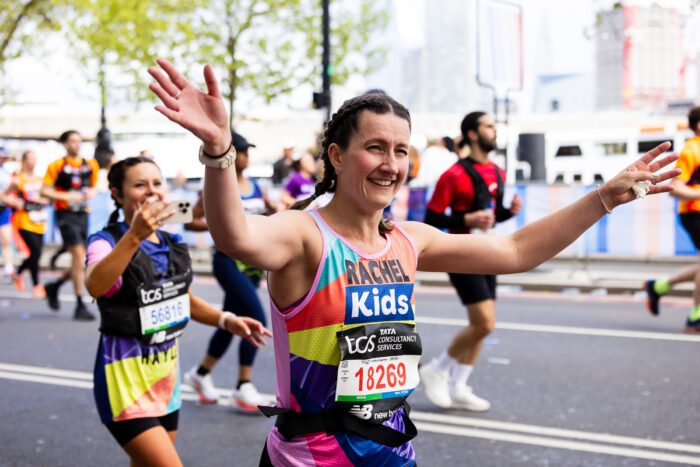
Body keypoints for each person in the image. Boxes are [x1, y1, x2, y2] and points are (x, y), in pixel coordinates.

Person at [148, 58, 677, 466]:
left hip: (393, 446)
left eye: (401, 151)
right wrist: (219, 153)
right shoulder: (304, 233)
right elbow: (236, 234)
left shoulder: (409, 239)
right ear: (335, 155)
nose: (391, 164)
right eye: (375, 148)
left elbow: (515, 252)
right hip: (314, 456)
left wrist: (603, 198)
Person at [85, 155, 271, 466]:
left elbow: (181, 298)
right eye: (140, 185)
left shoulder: (172, 241)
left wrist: (227, 320)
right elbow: (94, 284)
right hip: (124, 384)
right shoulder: (106, 242)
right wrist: (133, 237)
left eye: (157, 184)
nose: (152, 191)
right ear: (117, 194)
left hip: (165, 382)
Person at [420, 111, 522, 411]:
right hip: (461, 253)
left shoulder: (497, 171)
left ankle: (459, 385)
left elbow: (492, 214)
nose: (495, 130)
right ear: (473, 134)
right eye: (489, 126)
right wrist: (466, 218)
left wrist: (509, 212)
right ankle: (437, 369)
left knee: (482, 325)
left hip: (488, 250)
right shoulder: (453, 175)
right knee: (485, 323)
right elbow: (431, 217)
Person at [184, 131, 277, 410]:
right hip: (226, 261)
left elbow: (272, 216)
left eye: (249, 152)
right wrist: (224, 224)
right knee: (256, 318)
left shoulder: (257, 187)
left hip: (253, 265)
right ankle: (243, 385)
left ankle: (199, 374)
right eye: (242, 151)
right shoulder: (217, 186)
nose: (247, 157)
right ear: (231, 154)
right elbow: (191, 221)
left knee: (229, 322)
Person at [644, 105, 700, 333]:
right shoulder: (691, 150)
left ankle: (658, 286)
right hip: (694, 214)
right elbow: (675, 189)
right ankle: (695, 317)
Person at [41, 130, 99, 320]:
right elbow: (45, 191)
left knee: (80, 260)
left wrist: (91, 192)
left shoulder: (90, 165)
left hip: (83, 214)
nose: (76, 144)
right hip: (65, 215)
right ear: (65, 144)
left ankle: (55, 285)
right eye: (72, 141)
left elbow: (94, 186)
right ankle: (79, 304)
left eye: (79, 141)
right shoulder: (56, 166)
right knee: (79, 255)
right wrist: (67, 196)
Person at [8, 150, 50, 297]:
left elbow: (48, 197)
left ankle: (18, 273)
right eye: (30, 159)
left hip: (39, 219)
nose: (33, 162)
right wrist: (16, 201)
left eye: (35, 159)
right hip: (23, 220)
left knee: (36, 254)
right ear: (24, 161)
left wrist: (44, 200)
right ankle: (36, 285)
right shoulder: (17, 179)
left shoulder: (40, 180)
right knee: (35, 251)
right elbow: (7, 196)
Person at [0, 146, 16, 283]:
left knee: (6, 240)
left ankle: (8, 270)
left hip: (4, 210)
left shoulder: (6, 172)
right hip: (4, 203)